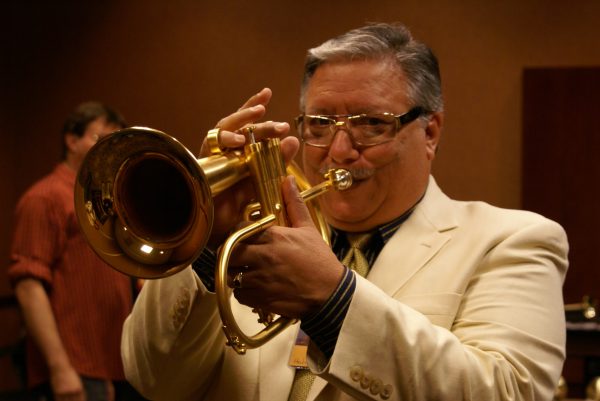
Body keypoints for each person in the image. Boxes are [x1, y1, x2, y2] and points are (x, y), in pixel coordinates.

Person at [121, 23, 569, 401]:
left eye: (372, 124)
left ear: (430, 131)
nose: (337, 152)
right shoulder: (256, 244)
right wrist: (204, 243)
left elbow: (510, 390)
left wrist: (332, 300)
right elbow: (154, 380)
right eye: (319, 124)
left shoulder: (513, 239)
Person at [8, 102, 145, 401]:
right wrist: (60, 369)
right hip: (75, 369)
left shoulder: (105, 200)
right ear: (71, 141)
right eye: (101, 139)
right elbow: (29, 287)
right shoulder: (44, 198)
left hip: (114, 367)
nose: (112, 149)